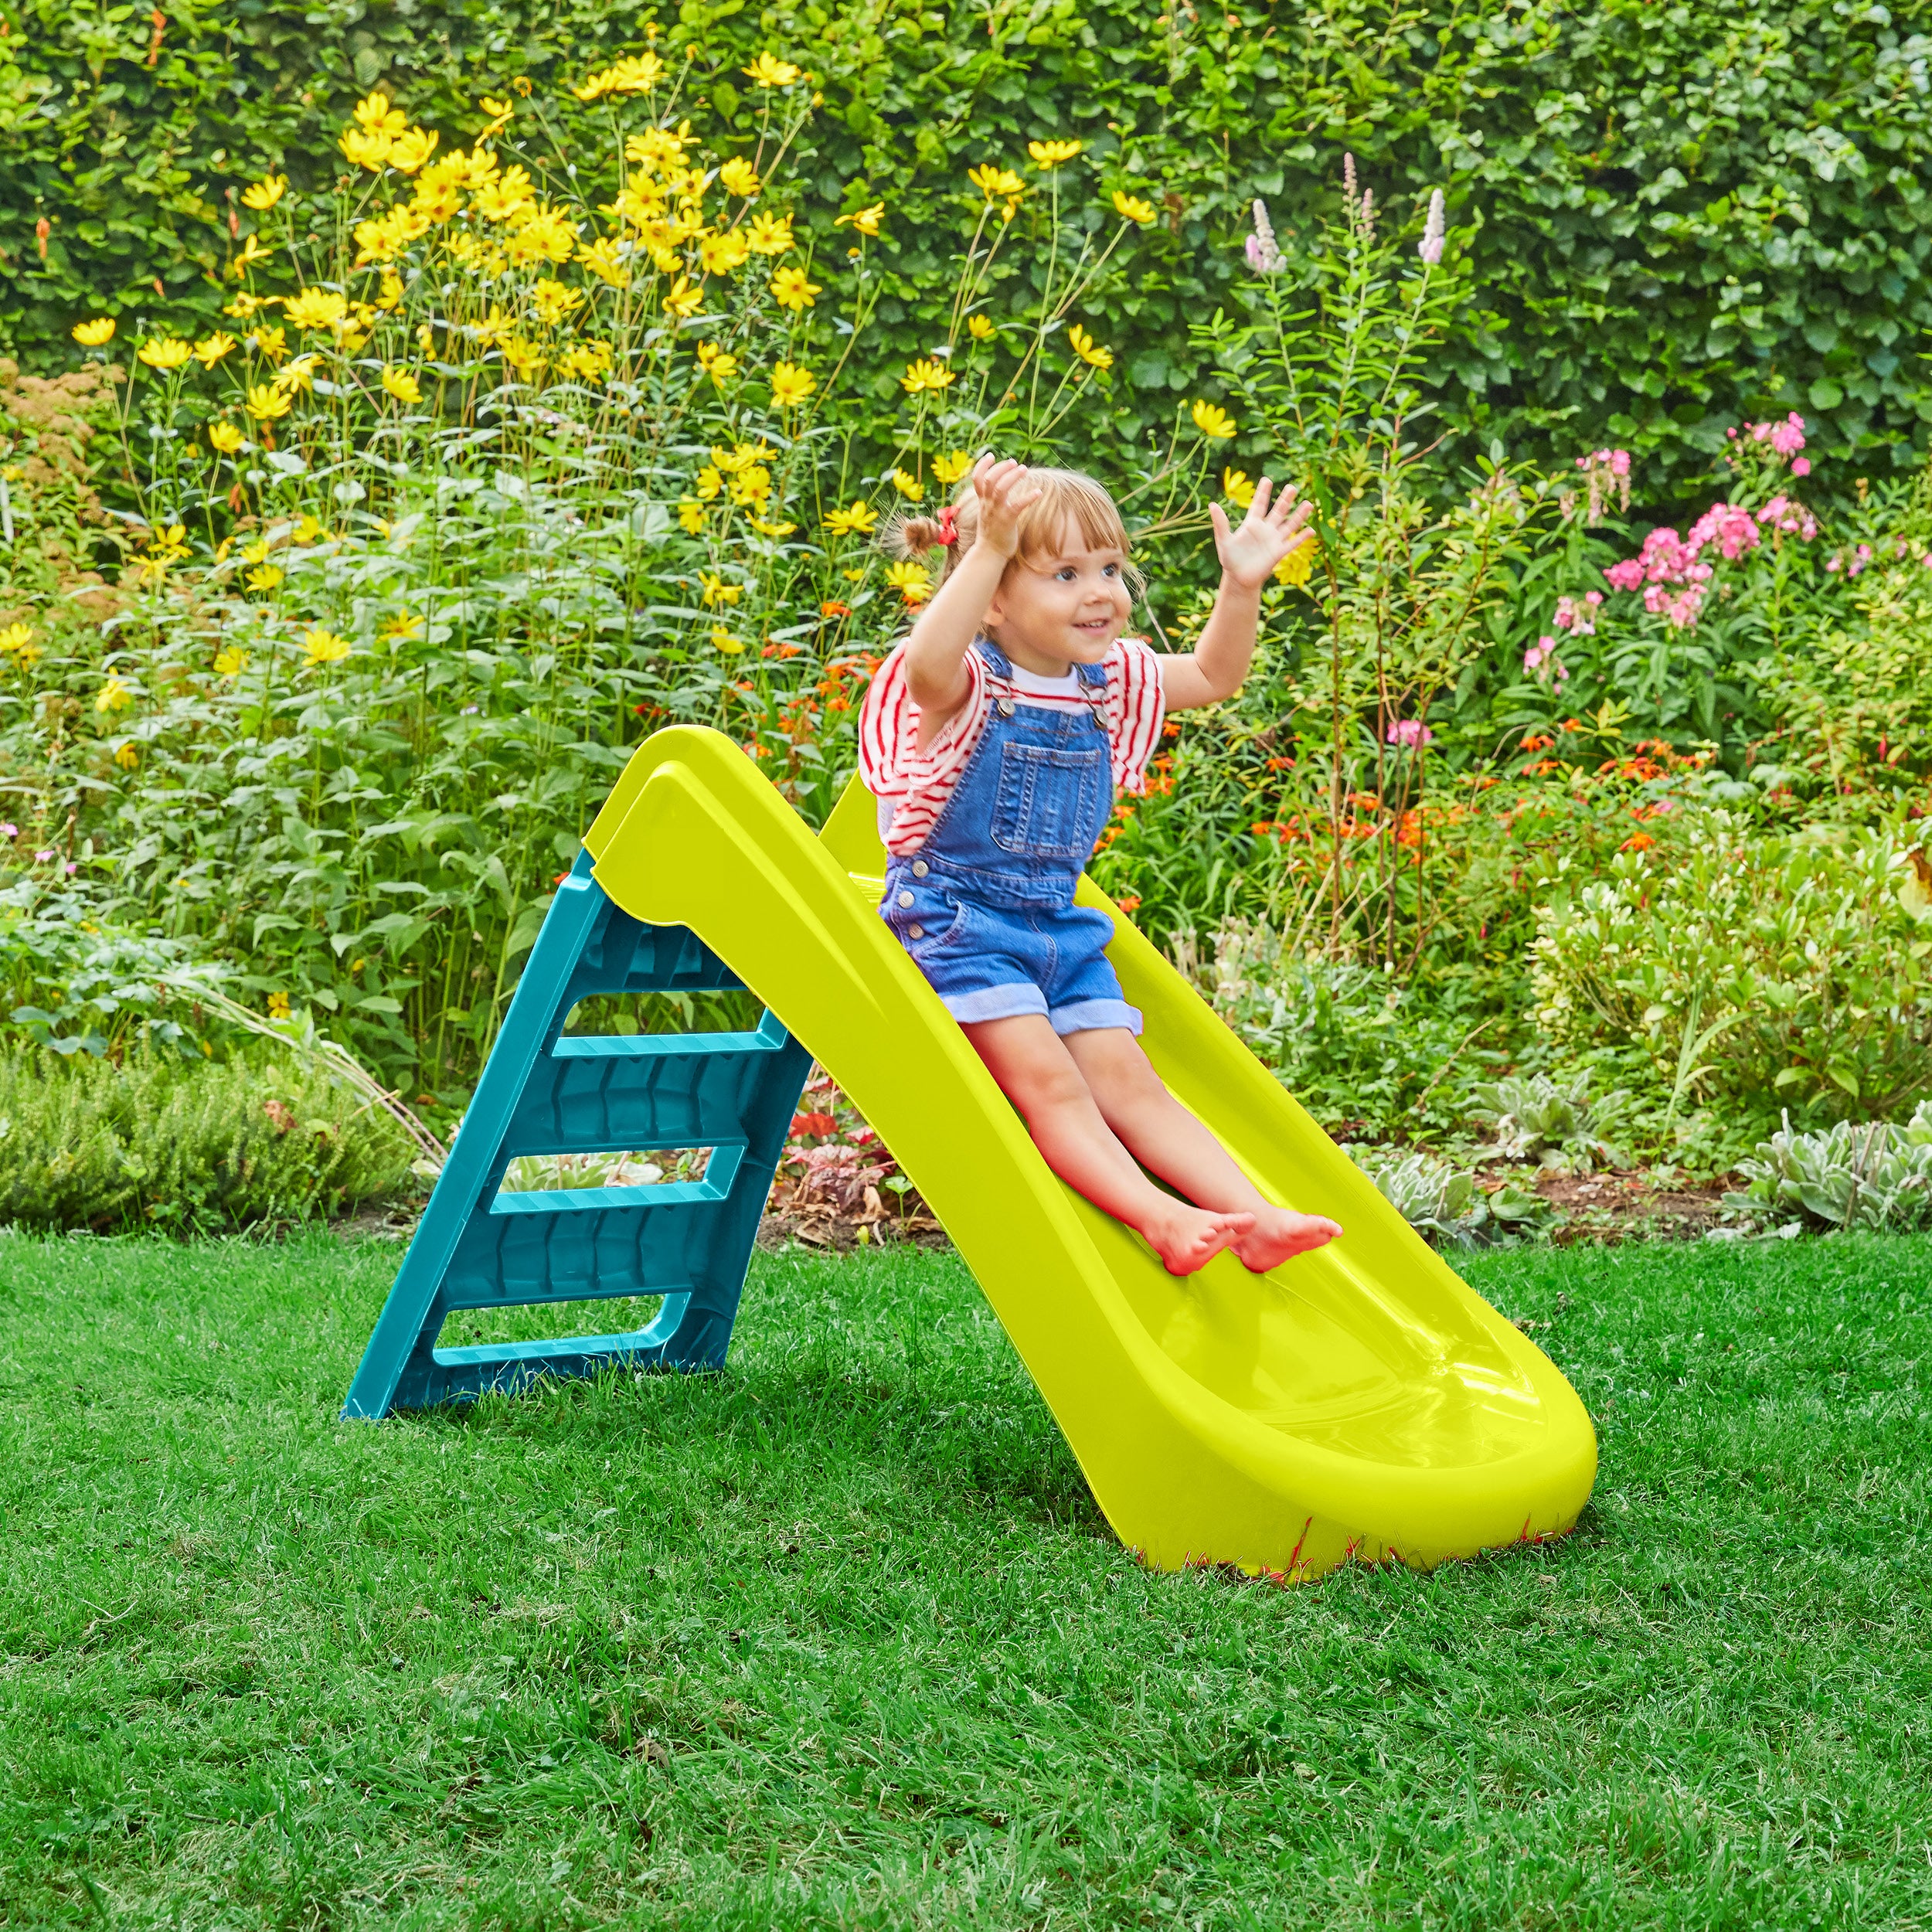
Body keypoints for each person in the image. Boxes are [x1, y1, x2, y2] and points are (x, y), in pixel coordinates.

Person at [858, 455, 1344, 1277]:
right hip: (957, 924)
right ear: (997, 597)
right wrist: (986, 551)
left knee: (1135, 1083)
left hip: (1056, 926)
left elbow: (1215, 675)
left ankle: (1253, 1217)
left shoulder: (1104, 682)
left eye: (1111, 568)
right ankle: (1158, 1216)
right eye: (1066, 572)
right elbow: (924, 669)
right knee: (1051, 1083)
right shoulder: (972, 680)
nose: (1101, 591)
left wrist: (1241, 587)